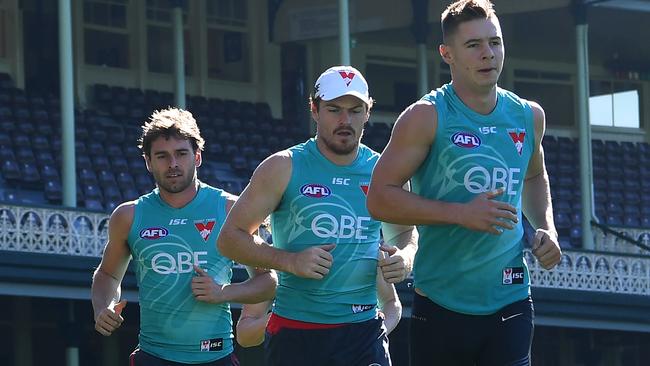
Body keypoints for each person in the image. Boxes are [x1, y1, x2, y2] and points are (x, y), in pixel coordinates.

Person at [366, 1, 562, 365]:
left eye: (495, 42)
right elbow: (379, 198)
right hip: (441, 303)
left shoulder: (528, 115)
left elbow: (535, 175)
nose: (488, 54)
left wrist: (546, 228)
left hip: (512, 298)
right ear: (447, 53)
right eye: (474, 45)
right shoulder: (425, 116)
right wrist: (460, 213)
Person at [217, 65, 418, 366]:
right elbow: (229, 239)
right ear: (314, 109)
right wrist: (290, 261)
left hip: (363, 333)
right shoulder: (282, 166)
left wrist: (405, 256)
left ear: (368, 112)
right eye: (334, 109)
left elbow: (405, 232)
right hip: (296, 333)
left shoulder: (386, 172)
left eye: (354, 110)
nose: (344, 120)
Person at [91, 108, 277, 366]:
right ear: (148, 161)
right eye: (162, 156)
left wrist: (224, 292)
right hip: (153, 357)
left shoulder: (230, 210)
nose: (173, 164)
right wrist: (103, 307)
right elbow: (108, 275)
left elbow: (268, 281)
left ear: (197, 157)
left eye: (181, 154)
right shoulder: (129, 216)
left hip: (215, 356)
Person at [235, 222, 403, 348]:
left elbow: (391, 304)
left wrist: (375, 334)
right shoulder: (277, 258)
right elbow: (245, 335)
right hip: (295, 352)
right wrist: (288, 315)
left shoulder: (366, 251)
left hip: (357, 353)